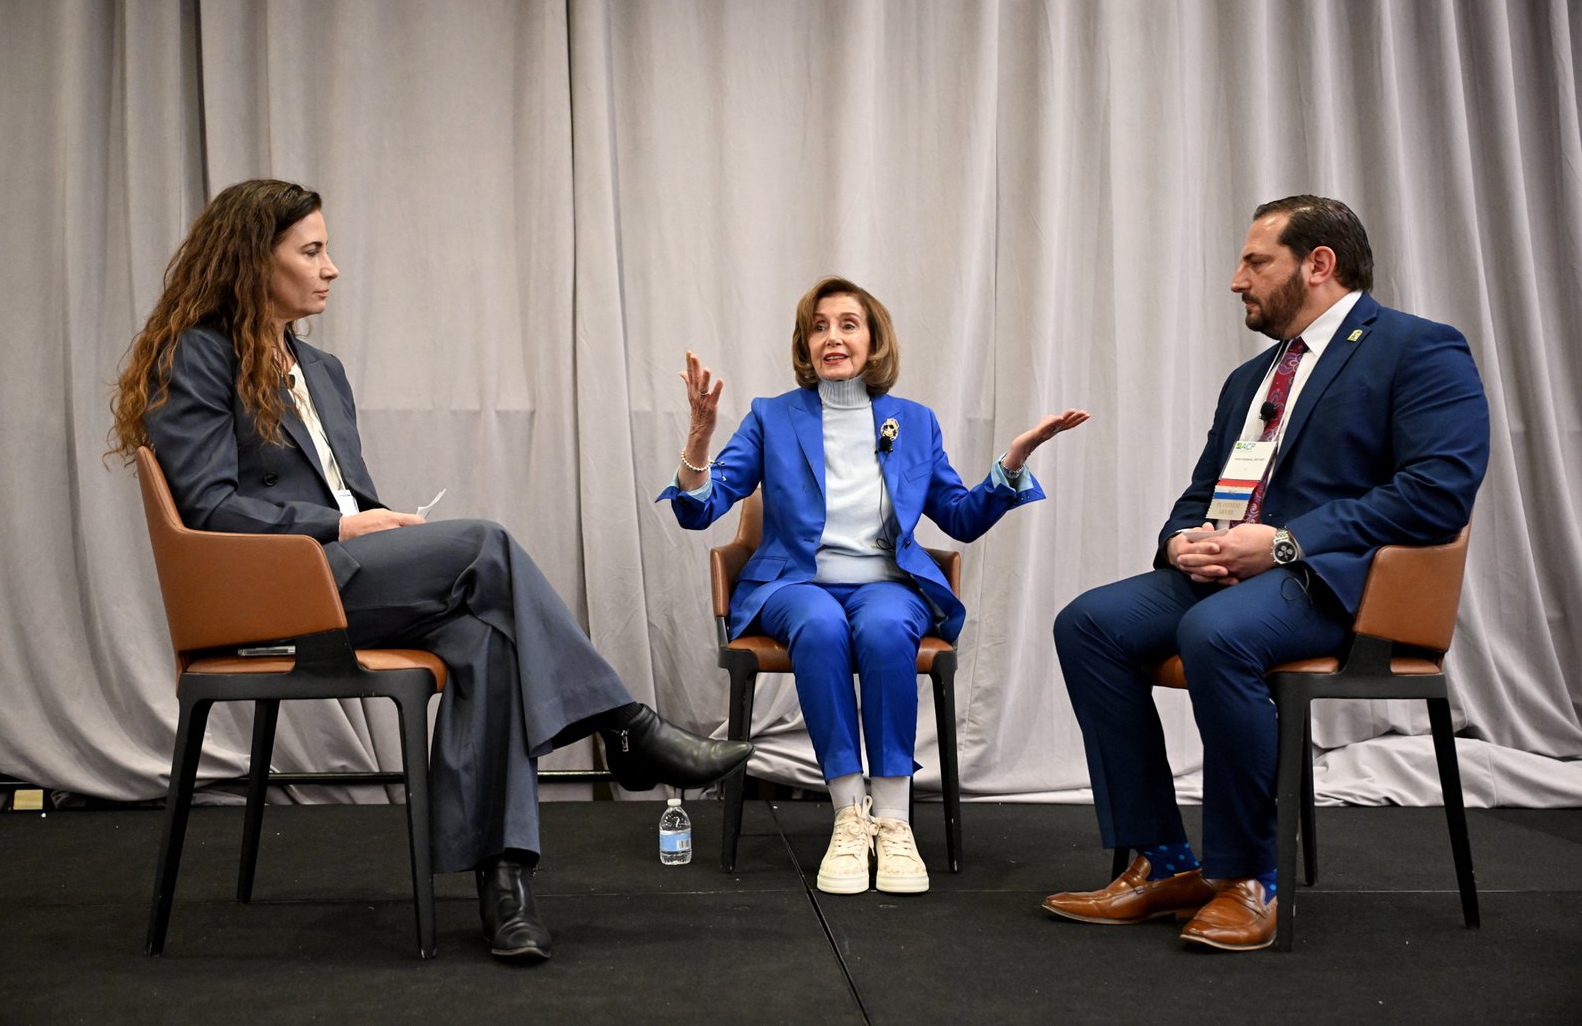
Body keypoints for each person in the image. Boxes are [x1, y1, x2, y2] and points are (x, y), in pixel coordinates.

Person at [109, 179, 752, 964]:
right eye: (311, 251)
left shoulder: (322, 371)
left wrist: (379, 524)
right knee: (485, 543)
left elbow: (348, 496)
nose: (331, 268)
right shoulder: (196, 356)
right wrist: (342, 527)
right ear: (253, 260)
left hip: (342, 574)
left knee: (489, 638)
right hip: (272, 586)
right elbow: (210, 508)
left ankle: (505, 885)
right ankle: (625, 726)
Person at [1044, 196, 1490, 951]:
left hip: (1340, 584)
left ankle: (1250, 876)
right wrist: (1180, 543)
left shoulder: (1418, 348)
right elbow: (1203, 489)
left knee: (1214, 633)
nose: (1236, 280)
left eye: (1256, 262)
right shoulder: (1251, 378)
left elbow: (1437, 492)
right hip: (1235, 574)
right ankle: (1164, 862)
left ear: (1319, 264)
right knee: (1088, 623)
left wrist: (1285, 543)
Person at [660, 277, 1088, 895]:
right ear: (805, 345)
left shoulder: (913, 421)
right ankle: (846, 816)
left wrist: (1013, 463)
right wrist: (699, 439)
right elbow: (701, 508)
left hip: (885, 583)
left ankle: (893, 819)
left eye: (848, 324)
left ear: (873, 340)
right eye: (819, 327)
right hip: (796, 584)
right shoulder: (772, 416)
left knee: (887, 626)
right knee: (819, 623)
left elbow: (960, 517)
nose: (832, 337)